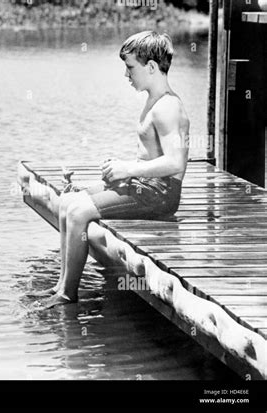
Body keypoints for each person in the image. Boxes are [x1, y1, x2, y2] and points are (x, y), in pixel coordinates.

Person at [18, 31, 190, 309]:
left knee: (77, 211)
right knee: (68, 200)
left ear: (151, 67)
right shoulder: (155, 100)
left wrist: (127, 168)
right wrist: (114, 174)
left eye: (130, 67)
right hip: (146, 186)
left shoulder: (168, 107)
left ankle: (68, 294)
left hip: (160, 194)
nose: (126, 74)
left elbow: (176, 163)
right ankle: (61, 284)